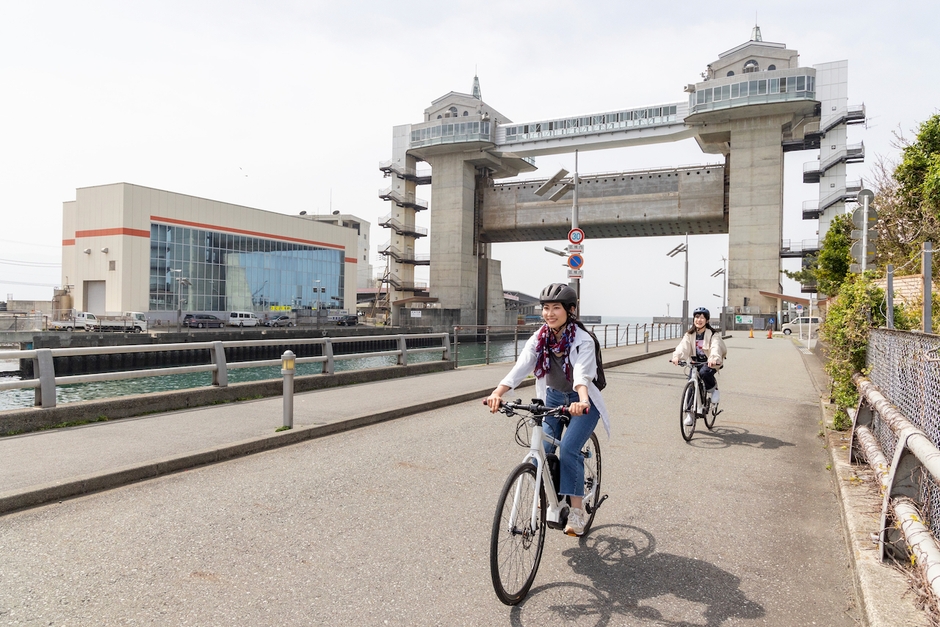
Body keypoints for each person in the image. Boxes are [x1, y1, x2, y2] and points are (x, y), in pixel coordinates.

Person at [486, 283, 609, 537]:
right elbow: (522, 366)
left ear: (570, 310)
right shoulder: (540, 337)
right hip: (552, 397)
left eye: (556, 308)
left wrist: (583, 401)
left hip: (582, 401)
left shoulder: (583, 340)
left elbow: (582, 374)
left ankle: (576, 511)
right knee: (541, 451)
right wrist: (498, 393)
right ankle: (549, 495)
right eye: (545, 308)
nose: (549, 313)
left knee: (569, 449)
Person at [671, 307, 727, 426]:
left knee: (704, 373)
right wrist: (677, 356)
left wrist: (713, 359)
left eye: (702, 317)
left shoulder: (713, 334)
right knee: (691, 387)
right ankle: (690, 415)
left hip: (709, 362)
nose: (699, 320)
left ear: (707, 320)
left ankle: (713, 390)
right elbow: (683, 347)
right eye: (697, 317)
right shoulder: (689, 334)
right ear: (694, 319)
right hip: (695, 362)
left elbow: (715, 347)